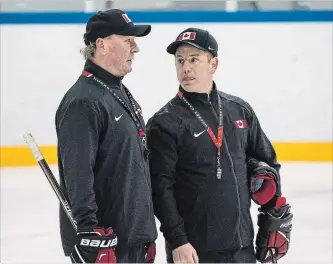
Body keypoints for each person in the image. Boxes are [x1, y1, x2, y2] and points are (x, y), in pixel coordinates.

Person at [146, 28, 293, 263]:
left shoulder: (239, 110)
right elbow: (160, 189)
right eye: (180, 60)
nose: (186, 68)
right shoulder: (165, 123)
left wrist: (272, 215)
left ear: (213, 64)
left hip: (243, 247)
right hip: (194, 251)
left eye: (194, 59)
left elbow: (269, 165)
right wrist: (178, 241)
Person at [55, 9, 158, 263]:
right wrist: (90, 234)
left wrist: (145, 233)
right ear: (101, 45)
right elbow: (78, 176)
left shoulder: (118, 90)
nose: (136, 49)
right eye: (127, 40)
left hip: (131, 239)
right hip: (106, 245)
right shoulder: (83, 102)